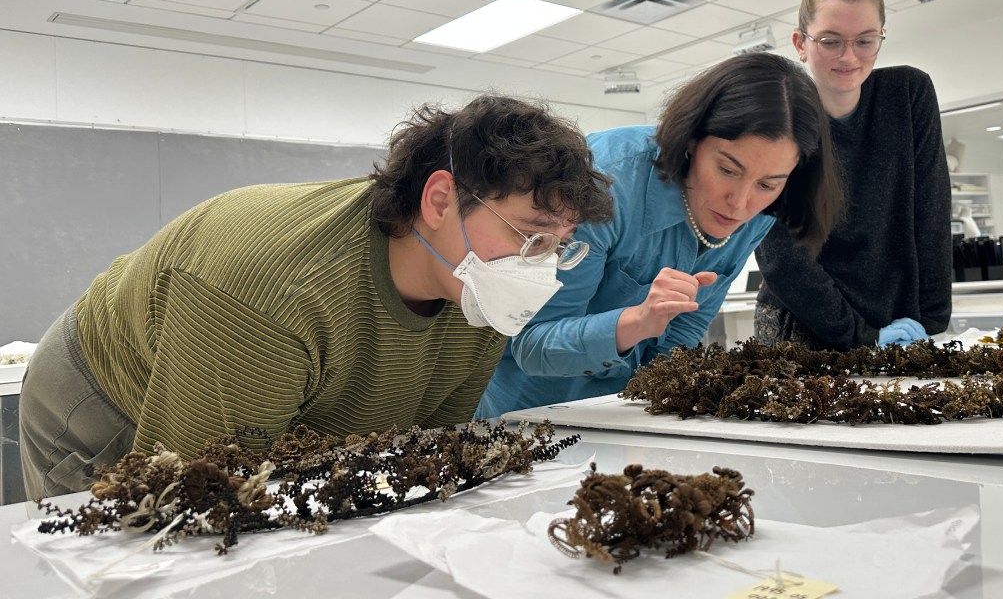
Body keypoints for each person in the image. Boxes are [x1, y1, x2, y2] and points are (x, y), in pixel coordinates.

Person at [19, 95, 614, 499]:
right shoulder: (273, 291)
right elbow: (197, 490)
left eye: (558, 246)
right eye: (528, 235)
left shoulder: (479, 290)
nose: (539, 267)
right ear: (438, 201)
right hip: (109, 392)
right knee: (132, 547)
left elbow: (415, 451)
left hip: (266, 380)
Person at [476, 53, 842, 418]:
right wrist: (634, 323)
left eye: (767, 184)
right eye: (727, 169)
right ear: (691, 140)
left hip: (628, 412)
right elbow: (532, 344)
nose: (740, 204)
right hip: (532, 412)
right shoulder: (603, 185)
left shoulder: (761, 211)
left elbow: (687, 324)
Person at [754, 0, 952, 350]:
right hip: (802, 322)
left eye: (865, 41)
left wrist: (931, 321)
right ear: (800, 43)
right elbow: (778, 253)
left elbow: (931, 208)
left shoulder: (908, 95)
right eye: (830, 41)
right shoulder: (778, 116)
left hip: (894, 319)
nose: (849, 57)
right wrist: (860, 335)